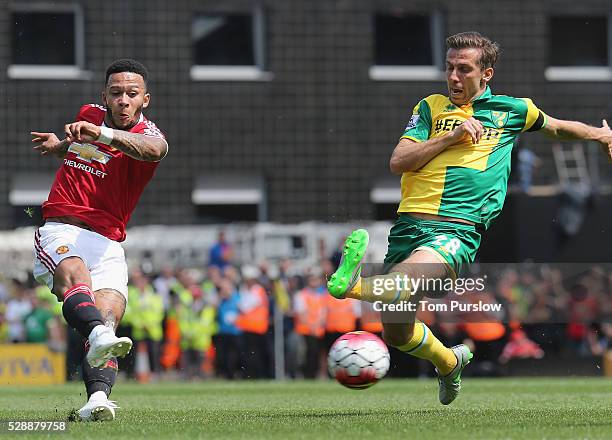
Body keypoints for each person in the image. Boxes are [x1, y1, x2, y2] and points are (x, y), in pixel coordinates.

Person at [328, 32, 612, 404]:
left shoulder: (512, 110)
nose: (454, 77)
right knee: (397, 335)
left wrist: (601, 135)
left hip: (456, 230)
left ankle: (347, 286)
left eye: (464, 69)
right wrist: (452, 137)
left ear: (486, 74)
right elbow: (399, 162)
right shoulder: (430, 107)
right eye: (449, 68)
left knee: (398, 282)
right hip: (408, 226)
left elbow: (557, 127)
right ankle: (449, 362)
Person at [30, 59, 168, 421]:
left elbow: (153, 151)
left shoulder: (148, 136)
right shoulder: (89, 114)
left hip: (108, 242)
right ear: (104, 96)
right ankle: (98, 334)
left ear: (145, 100)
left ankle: (97, 402)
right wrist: (60, 146)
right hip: (62, 229)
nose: (124, 100)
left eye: (132, 94)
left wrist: (101, 134)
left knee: (107, 319)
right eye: (117, 92)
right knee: (75, 275)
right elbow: (85, 150)